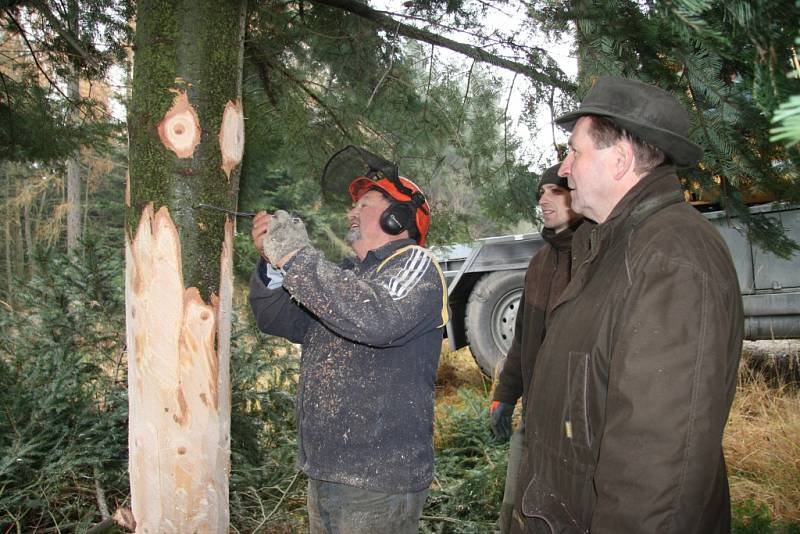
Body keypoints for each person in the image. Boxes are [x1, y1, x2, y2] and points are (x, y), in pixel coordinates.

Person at [512, 76, 744, 534]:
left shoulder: (671, 261)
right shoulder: (613, 247)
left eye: (575, 151)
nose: (563, 169)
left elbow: (658, 472)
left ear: (619, 161)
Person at [248, 171, 448, 534]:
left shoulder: (415, 265)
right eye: (353, 205)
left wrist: (295, 256)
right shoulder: (344, 277)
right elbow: (276, 317)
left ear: (397, 218)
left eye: (364, 204)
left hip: (378, 482)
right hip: (325, 473)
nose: (350, 213)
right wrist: (272, 264)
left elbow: (378, 318)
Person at [488, 162, 583, 533]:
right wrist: (505, 394)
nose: (543, 199)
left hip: (575, 428)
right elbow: (523, 339)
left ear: (578, 194)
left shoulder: (592, 259)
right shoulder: (540, 264)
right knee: (519, 512)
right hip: (533, 419)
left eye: (555, 191)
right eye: (541, 192)